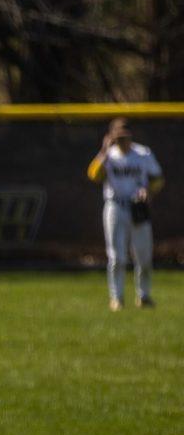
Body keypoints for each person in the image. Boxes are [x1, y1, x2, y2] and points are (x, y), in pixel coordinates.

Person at [87, 117, 164, 310]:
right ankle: (117, 297)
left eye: (125, 136)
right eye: (118, 137)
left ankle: (144, 296)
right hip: (115, 206)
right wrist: (104, 151)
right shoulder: (108, 156)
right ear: (112, 137)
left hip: (138, 207)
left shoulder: (143, 154)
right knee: (116, 257)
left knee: (144, 256)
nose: (122, 141)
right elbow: (93, 175)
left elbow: (158, 179)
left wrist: (149, 191)